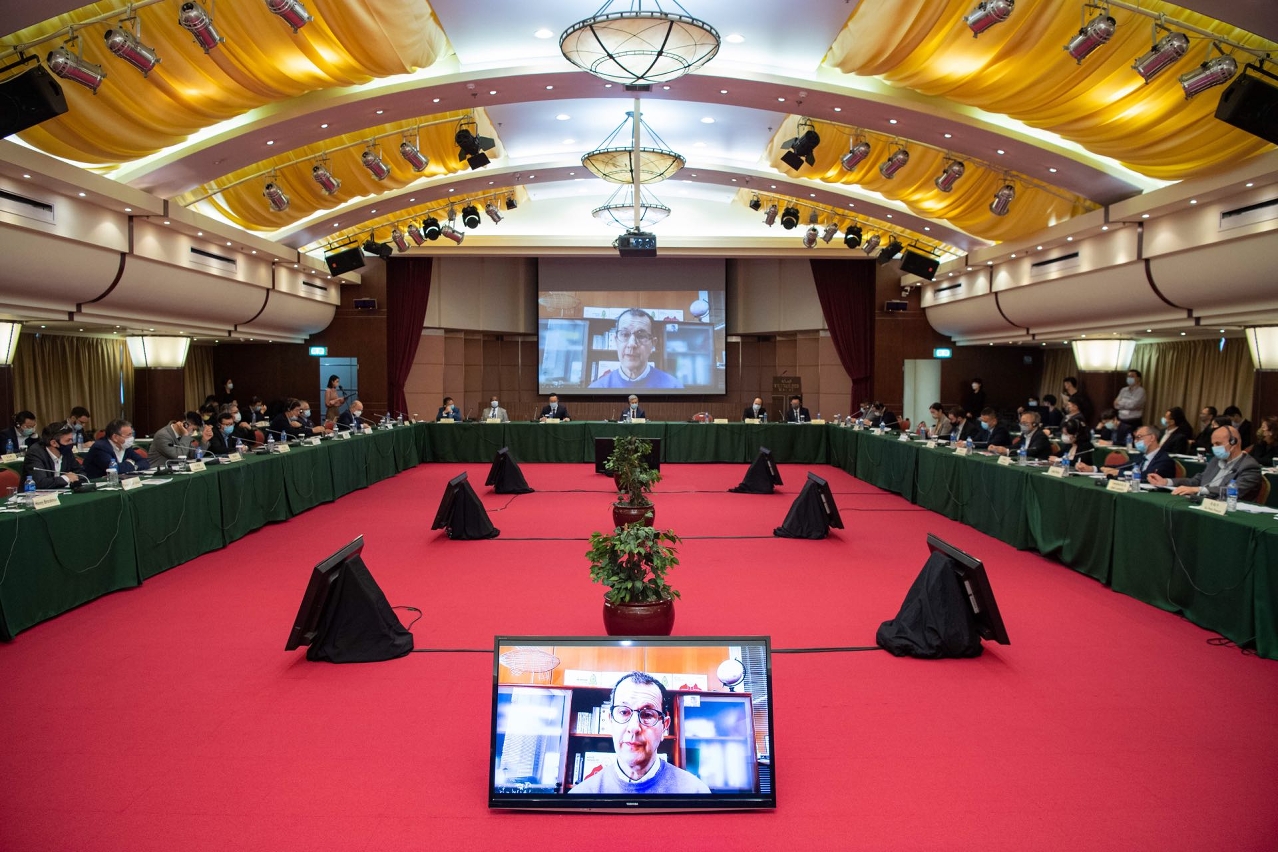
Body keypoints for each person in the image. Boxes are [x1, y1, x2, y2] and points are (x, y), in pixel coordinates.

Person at [568, 672, 710, 796]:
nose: (634, 727)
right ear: (610, 722)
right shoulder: (580, 796)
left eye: (647, 714)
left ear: (664, 726)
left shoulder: (696, 793)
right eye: (624, 712)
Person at [1150, 424, 1262, 501]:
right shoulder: (1215, 460)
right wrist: (1166, 482)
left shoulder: (1249, 467)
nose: (1214, 448)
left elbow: (1232, 491)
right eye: (1213, 444)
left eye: (1218, 444)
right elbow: (1197, 481)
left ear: (1233, 442)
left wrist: (1198, 489)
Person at [587, 308, 684, 389]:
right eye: (625, 334)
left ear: (653, 344)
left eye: (641, 336)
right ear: (616, 341)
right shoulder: (597, 389)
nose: (632, 344)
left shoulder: (674, 387)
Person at [1079, 424, 1175, 479]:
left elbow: (1148, 476)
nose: (1135, 441)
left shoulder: (1165, 460)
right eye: (1135, 438)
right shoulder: (1140, 456)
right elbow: (1121, 467)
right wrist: (1093, 469)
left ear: (1152, 438)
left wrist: (1120, 473)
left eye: (1139, 437)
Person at [23, 424, 86, 489]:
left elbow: (81, 473)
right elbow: (40, 482)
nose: (71, 443)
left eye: (71, 440)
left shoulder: (66, 451)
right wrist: (66, 478)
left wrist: (75, 478)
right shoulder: (35, 453)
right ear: (54, 443)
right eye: (68, 440)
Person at [82, 419, 150, 479]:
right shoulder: (100, 447)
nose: (131, 438)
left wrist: (134, 466)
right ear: (115, 437)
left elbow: (145, 462)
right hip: (96, 484)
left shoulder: (125, 446)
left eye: (132, 434)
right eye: (128, 435)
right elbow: (114, 469)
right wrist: (131, 464)